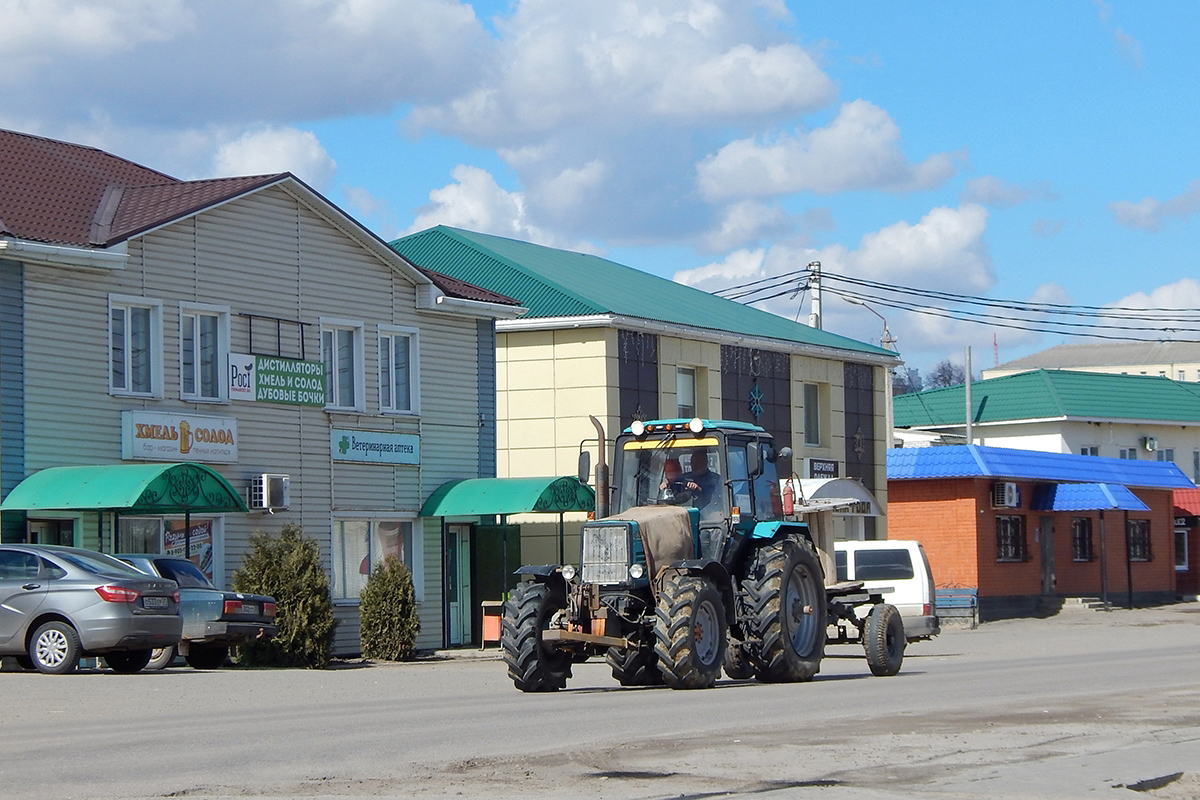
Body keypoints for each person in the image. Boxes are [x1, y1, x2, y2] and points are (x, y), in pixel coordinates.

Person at [678, 449, 721, 516]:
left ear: (706, 463)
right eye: (692, 462)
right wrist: (666, 486)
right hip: (684, 514)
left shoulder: (716, 480)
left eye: (698, 462)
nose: (694, 465)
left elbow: (715, 499)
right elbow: (673, 489)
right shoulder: (682, 478)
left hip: (708, 516)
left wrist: (699, 489)